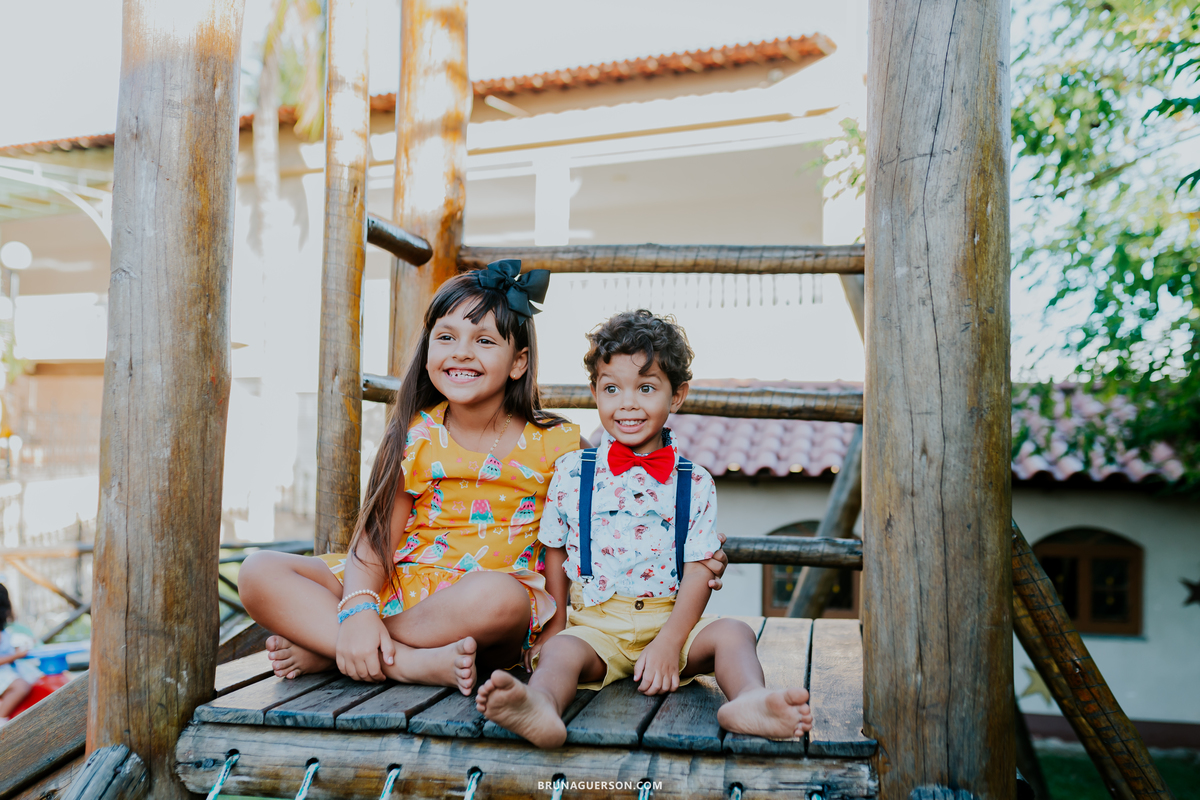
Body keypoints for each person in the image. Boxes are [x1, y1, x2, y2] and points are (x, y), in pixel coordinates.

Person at [239, 263, 728, 695]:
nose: (462, 352)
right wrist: (360, 610)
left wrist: (695, 547)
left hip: (485, 606)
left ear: (519, 362)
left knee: (498, 597)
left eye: (485, 340)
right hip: (402, 588)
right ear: (428, 348)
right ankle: (399, 659)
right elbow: (374, 545)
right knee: (258, 571)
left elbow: (619, 497)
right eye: (446, 337)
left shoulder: (557, 443)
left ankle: (337, 649)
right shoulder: (417, 435)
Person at [476, 309, 813, 747]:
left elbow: (699, 570)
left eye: (647, 388)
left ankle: (750, 700)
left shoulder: (696, 482)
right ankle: (539, 705)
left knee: (736, 633)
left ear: (677, 397)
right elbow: (555, 552)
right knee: (560, 653)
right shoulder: (573, 473)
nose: (627, 403)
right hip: (596, 624)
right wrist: (555, 626)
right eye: (611, 388)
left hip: (672, 619)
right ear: (594, 391)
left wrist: (671, 643)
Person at [0, 583, 32, 722]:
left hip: (7, 671)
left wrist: (16, 650)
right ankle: (1, 719)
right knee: (21, 685)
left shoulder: (4, 631)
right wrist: (16, 655)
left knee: (32, 677)